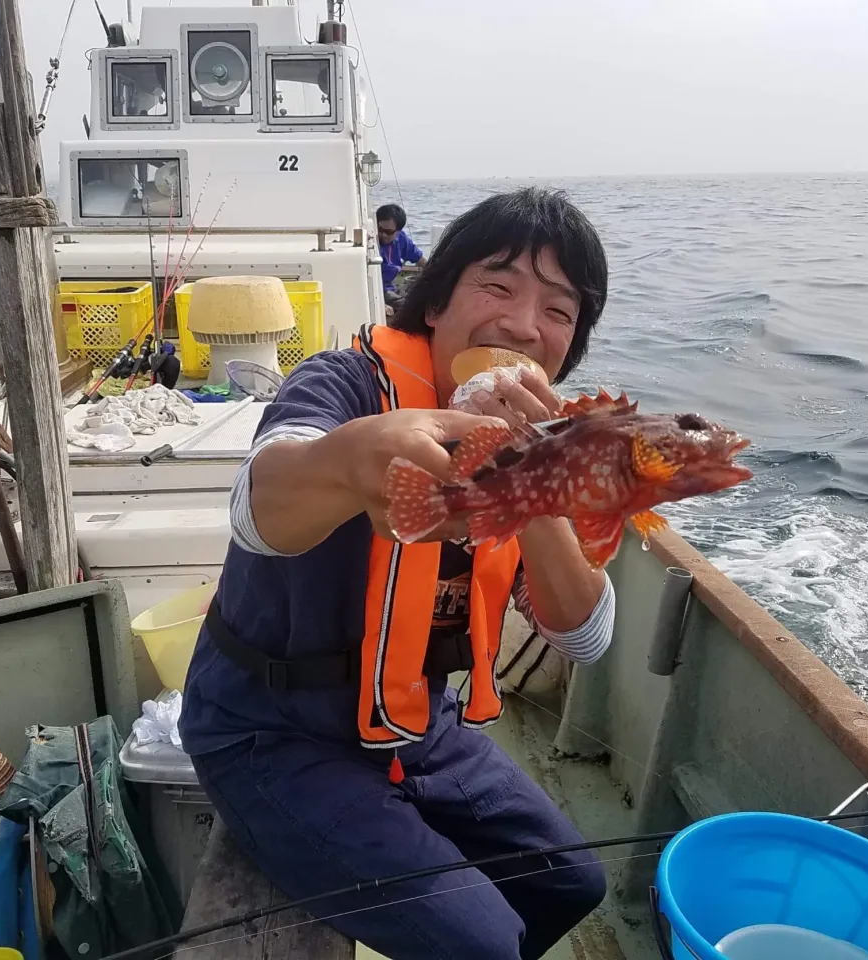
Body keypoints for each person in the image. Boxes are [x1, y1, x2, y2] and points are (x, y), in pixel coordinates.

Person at [179, 187, 615, 960]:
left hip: (420, 725)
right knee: (482, 943)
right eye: (498, 285)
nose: (522, 324)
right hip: (272, 729)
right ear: (436, 304)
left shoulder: (551, 441)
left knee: (572, 883)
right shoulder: (341, 383)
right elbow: (258, 507)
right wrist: (352, 464)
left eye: (559, 309)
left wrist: (536, 481)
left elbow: (583, 635)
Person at [376, 202, 427, 315]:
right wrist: (379, 303)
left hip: (392, 286)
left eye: (388, 232)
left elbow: (420, 259)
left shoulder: (402, 239)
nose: (383, 235)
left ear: (398, 231)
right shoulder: (372, 242)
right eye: (380, 229)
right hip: (379, 290)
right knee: (411, 307)